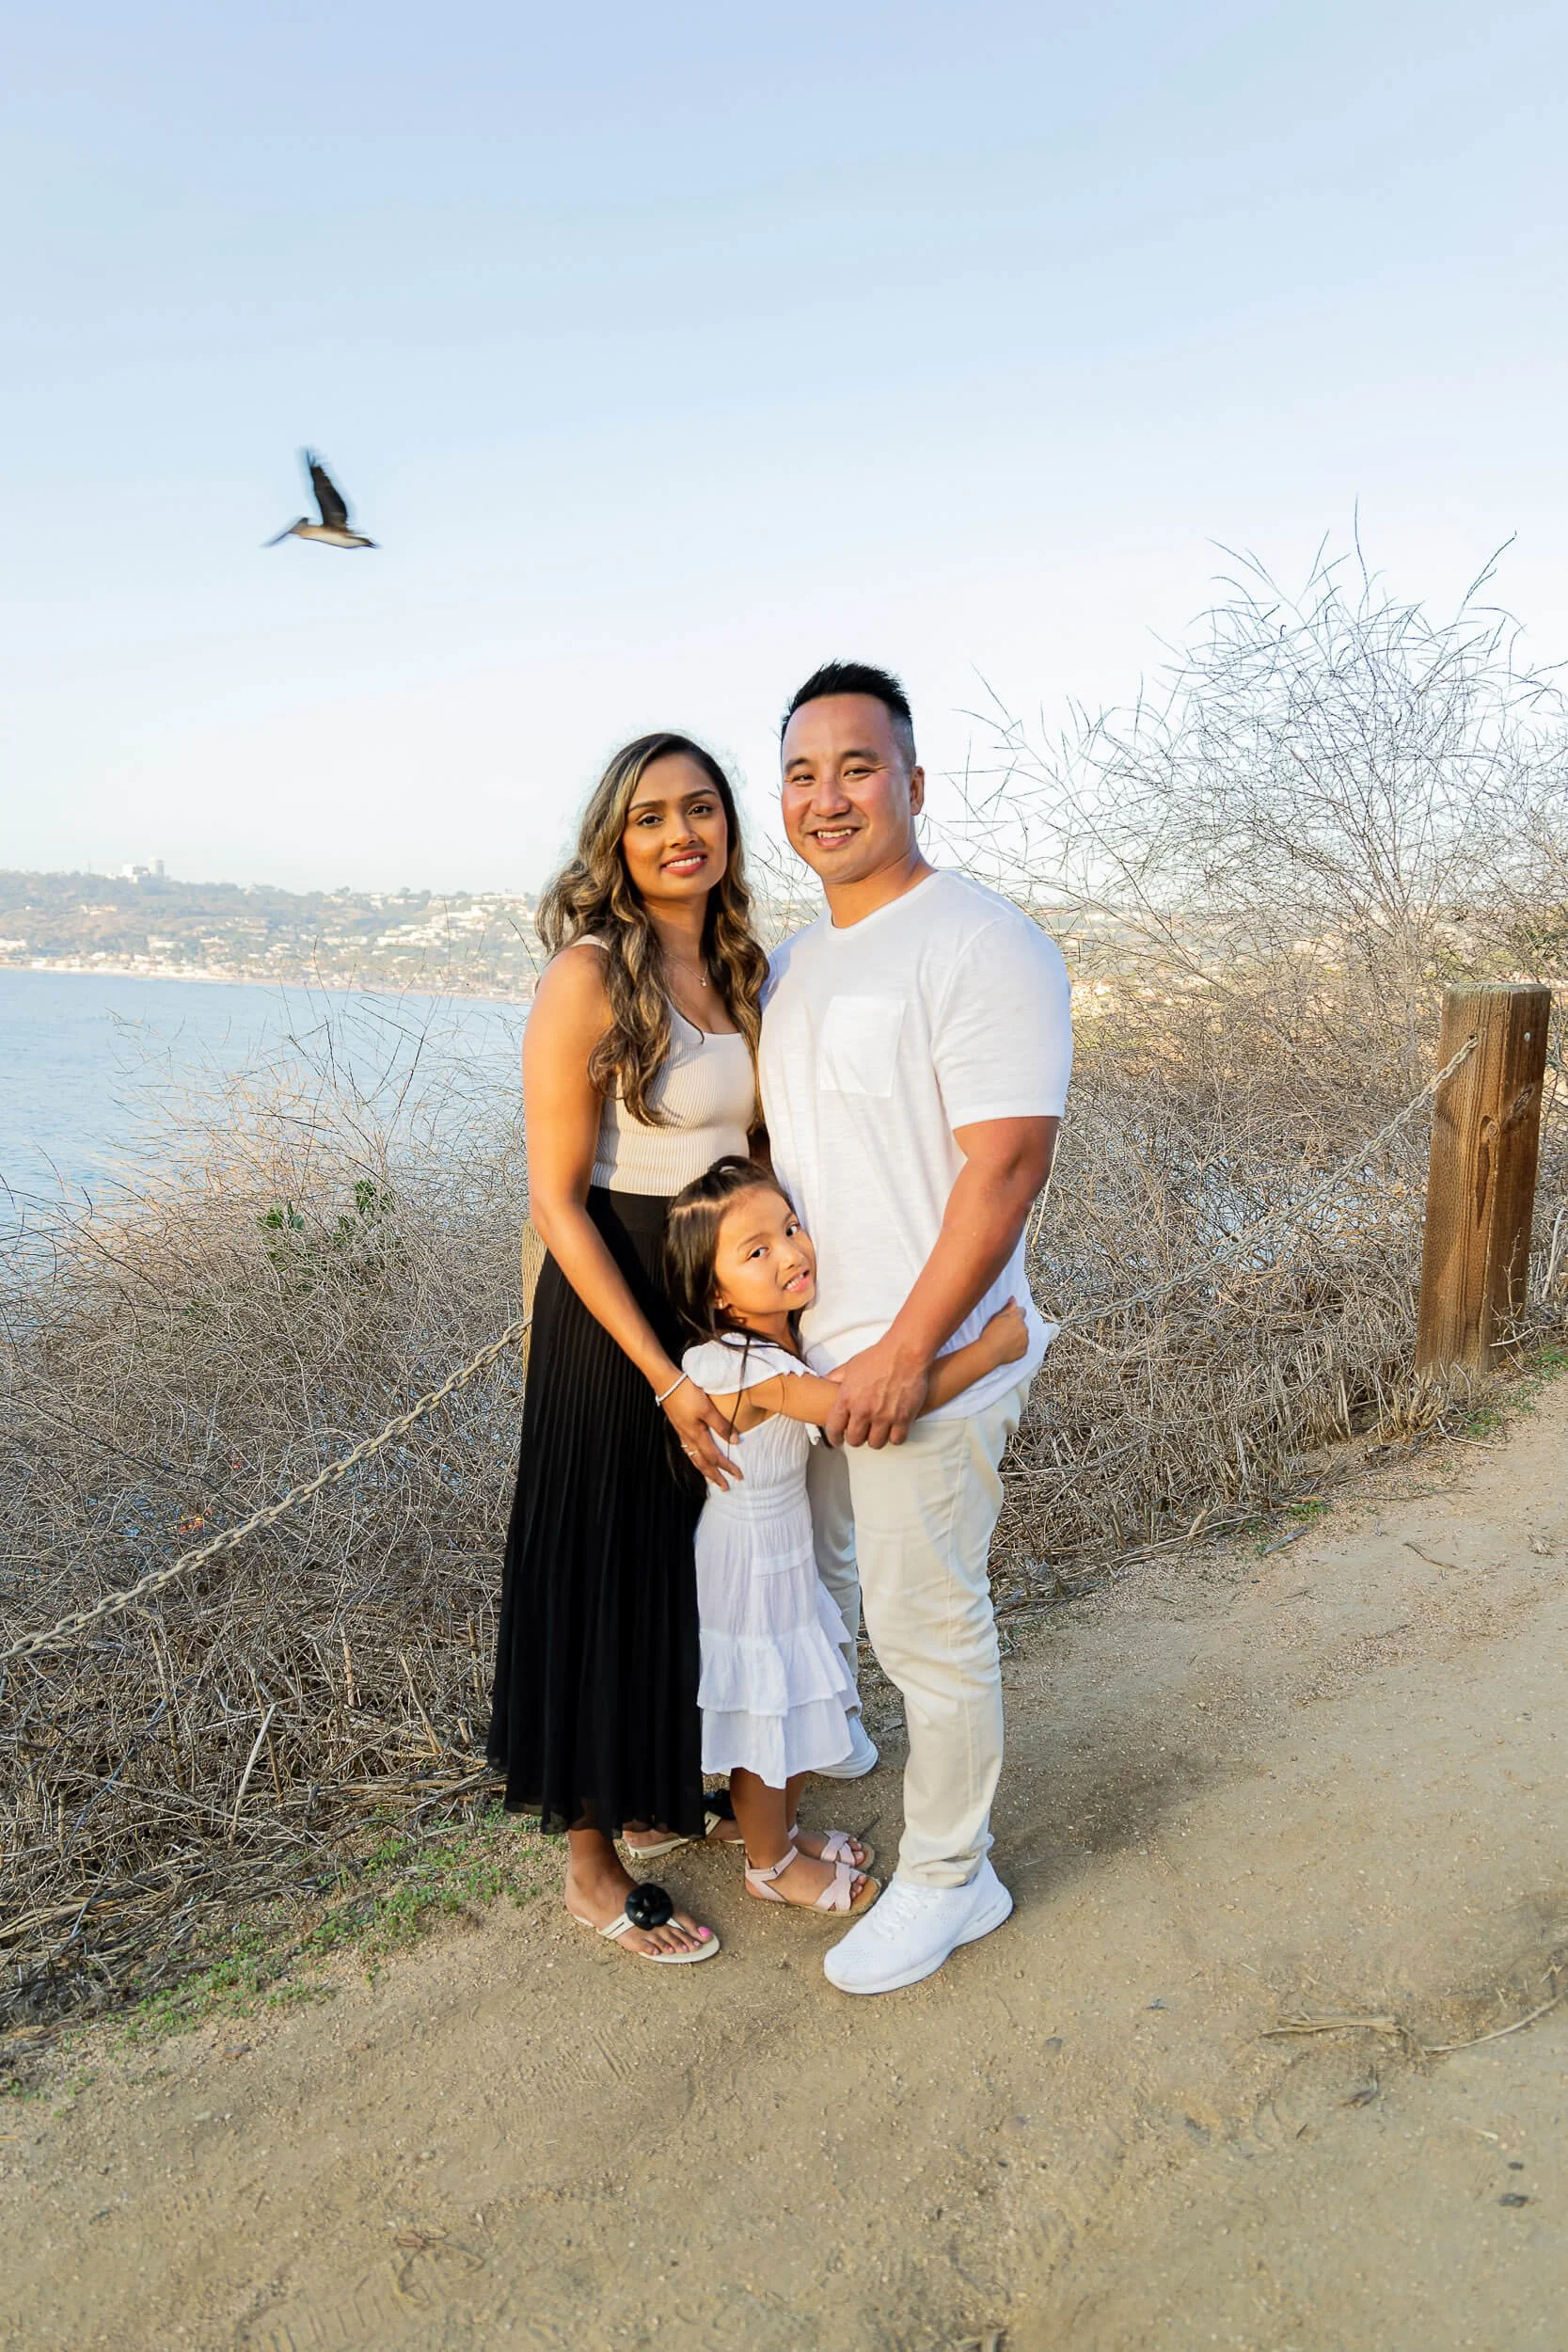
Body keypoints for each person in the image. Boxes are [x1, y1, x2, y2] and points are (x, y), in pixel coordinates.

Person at [759, 660, 1073, 1994]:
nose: (825, 797)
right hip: (817, 1364)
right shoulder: (792, 962)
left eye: (854, 766)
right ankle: (866, 1782)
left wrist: (906, 1355)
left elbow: (1002, 1169)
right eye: (800, 772)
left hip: (921, 1362)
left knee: (931, 1625)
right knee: (829, 1598)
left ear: (911, 783)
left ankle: (953, 1875)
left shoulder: (978, 940)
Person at [487, 732, 766, 1964]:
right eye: (650, 816)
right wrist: (656, 1373)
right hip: (611, 1301)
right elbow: (555, 1198)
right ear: (616, 837)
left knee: (684, 1551)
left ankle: (654, 1788)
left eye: (699, 809)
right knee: (603, 1555)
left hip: (712, 1282)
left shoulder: (738, 963)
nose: (678, 834)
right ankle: (590, 1864)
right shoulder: (589, 975)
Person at [662, 1153, 1031, 1919]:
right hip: (747, 1564)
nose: (791, 1252)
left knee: (791, 1703)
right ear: (717, 1295)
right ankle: (767, 1864)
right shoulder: (737, 1367)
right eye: (756, 1251)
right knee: (769, 1712)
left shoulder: (782, 1346)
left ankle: (778, 1834)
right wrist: (989, 1353)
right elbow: (870, 1410)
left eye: (790, 1228)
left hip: (780, 1554)